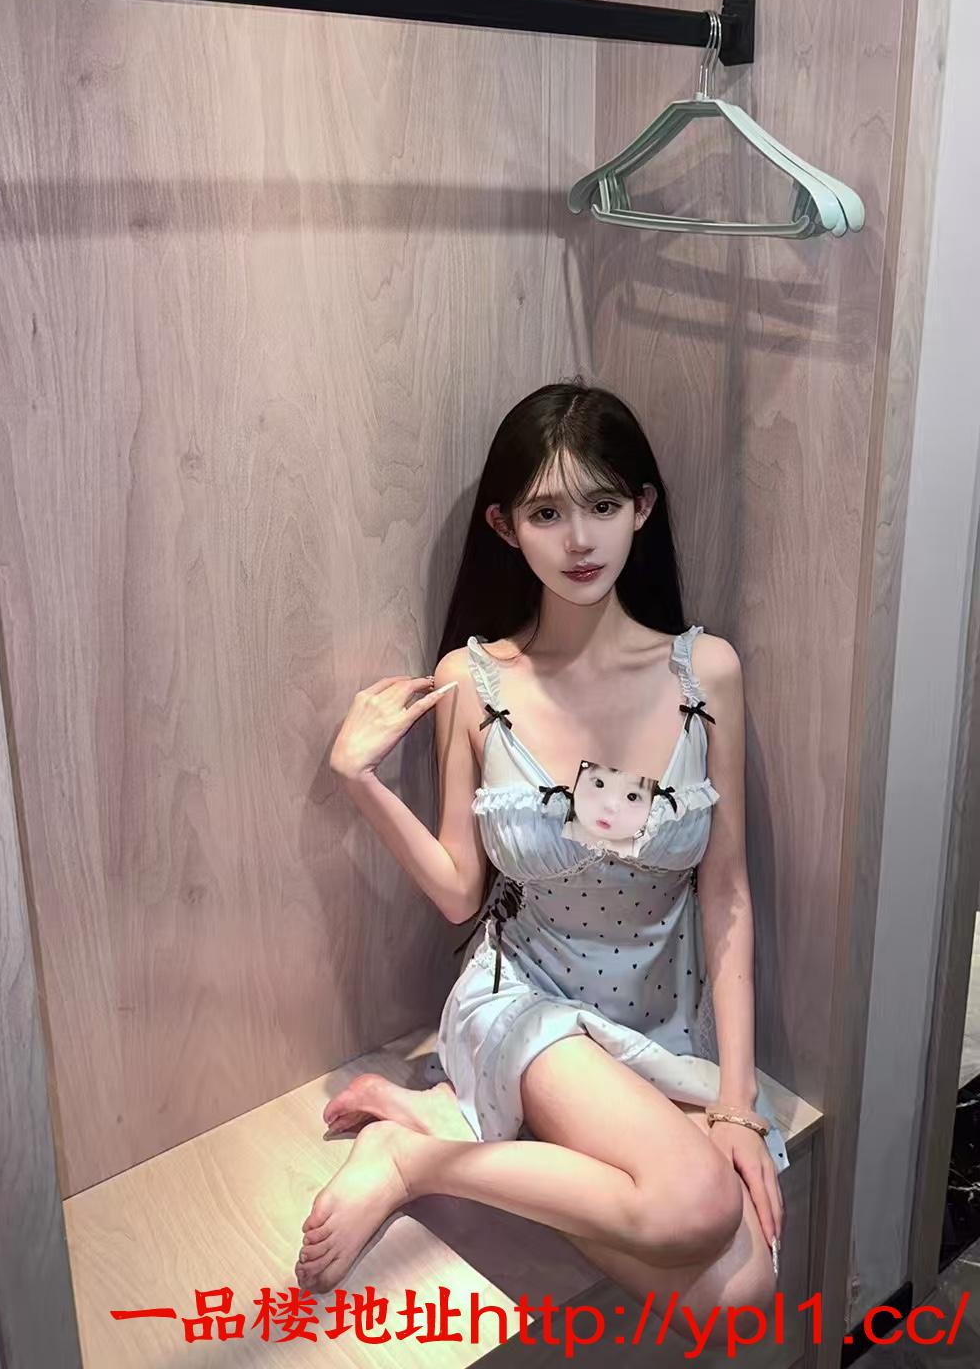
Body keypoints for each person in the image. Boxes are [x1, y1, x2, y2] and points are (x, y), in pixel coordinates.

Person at [296, 379, 785, 1344]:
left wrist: (735, 1103)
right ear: (505, 526)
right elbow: (458, 893)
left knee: (740, 1292)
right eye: (547, 513)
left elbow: (726, 895)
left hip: (657, 1014)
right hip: (523, 998)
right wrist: (359, 780)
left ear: (642, 508)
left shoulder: (707, 671)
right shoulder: (475, 680)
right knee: (693, 1206)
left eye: (602, 504)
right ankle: (411, 1161)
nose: (580, 540)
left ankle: (447, 1132)